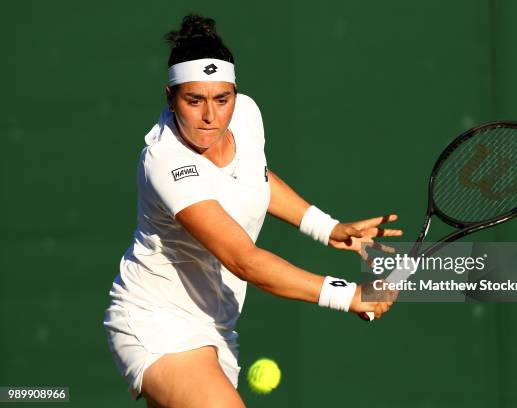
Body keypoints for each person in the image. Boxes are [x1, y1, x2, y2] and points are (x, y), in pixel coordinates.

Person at [103, 13, 402, 408]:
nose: (211, 116)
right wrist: (347, 295)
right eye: (194, 101)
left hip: (217, 325)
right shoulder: (167, 162)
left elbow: (255, 178)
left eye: (221, 99)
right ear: (170, 98)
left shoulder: (246, 115)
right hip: (157, 322)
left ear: (234, 94)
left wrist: (326, 228)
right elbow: (244, 260)